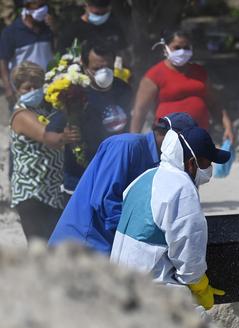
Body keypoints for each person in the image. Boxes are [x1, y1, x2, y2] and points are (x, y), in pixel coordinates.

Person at [48, 112, 221, 254]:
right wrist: (146, 237)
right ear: (172, 138)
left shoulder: (164, 163)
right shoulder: (125, 146)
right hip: (82, 244)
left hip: (110, 249)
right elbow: (105, 203)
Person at [110, 127, 225, 311]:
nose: (209, 170)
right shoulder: (181, 189)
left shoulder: (144, 178)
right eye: (206, 163)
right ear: (190, 163)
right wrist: (200, 286)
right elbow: (188, 250)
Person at [46, 39, 132, 194]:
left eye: (108, 67)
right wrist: (63, 137)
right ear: (84, 67)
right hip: (79, 181)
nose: (104, 72)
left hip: (116, 177)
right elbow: (49, 135)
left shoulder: (123, 89)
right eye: (97, 68)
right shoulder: (73, 94)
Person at [9, 61, 79, 241]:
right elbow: (47, 137)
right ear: (17, 90)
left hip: (53, 190)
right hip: (32, 192)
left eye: (36, 86)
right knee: (39, 246)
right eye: (27, 88)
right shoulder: (21, 115)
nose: (33, 91)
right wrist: (64, 136)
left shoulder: (44, 109)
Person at [130, 29, 234, 142]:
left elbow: (214, 103)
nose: (182, 51)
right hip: (167, 141)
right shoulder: (154, 75)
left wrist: (228, 127)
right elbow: (140, 110)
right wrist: (133, 140)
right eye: (177, 48)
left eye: (186, 48)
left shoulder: (200, 72)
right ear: (165, 48)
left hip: (198, 139)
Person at [0, 0, 54, 105]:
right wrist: (8, 87)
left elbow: (54, 51)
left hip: (47, 86)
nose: (43, 10)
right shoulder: (11, 32)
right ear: (27, 7)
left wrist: (55, 28)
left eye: (44, 5)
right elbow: (3, 61)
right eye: (38, 6)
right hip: (25, 89)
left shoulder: (48, 28)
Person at [57, 0, 127, 58]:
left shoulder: (114, 26)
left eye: (104, 13)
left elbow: (123, 50)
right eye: (96, 13)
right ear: (86, 6)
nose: (100, 17)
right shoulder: (71, 31)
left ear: (109, 8)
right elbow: (62, 55)